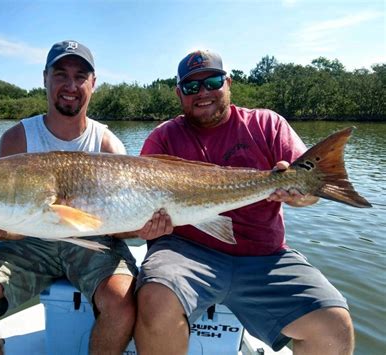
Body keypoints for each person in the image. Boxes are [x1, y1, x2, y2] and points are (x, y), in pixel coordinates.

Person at [0, 40, 170, 355]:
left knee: (122, 305)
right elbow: (11, 225)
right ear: (45, 78)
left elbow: (117, 226)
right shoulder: (17, 138)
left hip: (94, 242)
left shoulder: (108, 144)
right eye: (60, 74)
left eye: (80, 76)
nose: (70, 85)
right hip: (28, 242)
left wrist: (142, 226)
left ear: (93, 84)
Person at [134, 50, 354, 354]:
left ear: (228, 82)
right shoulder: (164, 138)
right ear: (178, 93)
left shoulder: (267, 124)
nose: (203, 93)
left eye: (212, 82)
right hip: (184, 253)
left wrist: (301, 194)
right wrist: (146, 225)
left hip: (263, 257)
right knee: (154, 301)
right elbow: (139, 199)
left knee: (335, 325)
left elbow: (310, 195)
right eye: (191, 87)